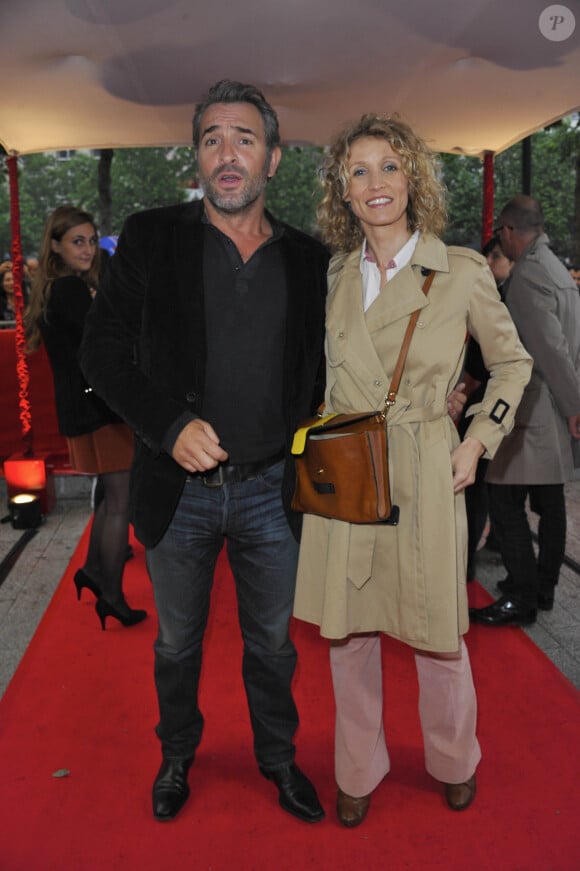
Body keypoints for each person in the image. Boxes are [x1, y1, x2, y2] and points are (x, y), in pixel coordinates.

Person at [80, 80, 329, 824]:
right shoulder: (152, 237)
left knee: (274, 647)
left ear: (274, 158)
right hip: (177, 493)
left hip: (273, 490)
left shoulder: (312, 260)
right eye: (214, 138)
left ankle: (278, 759)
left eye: (245, 139)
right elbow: (101, 350)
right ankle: (178, 753)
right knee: (176, 643)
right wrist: (167, 422)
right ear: (196, 155)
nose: (228, 154)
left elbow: (343, 362)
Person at [292, 113, 532, 827]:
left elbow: (514, 363)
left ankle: (455, 757)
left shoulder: (458, 270)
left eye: (389, 167)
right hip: (347, 465)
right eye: (359, 170)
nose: (376, 183)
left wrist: (477, 440)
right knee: (349, 637)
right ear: (342, 188)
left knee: (436, 634)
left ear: (413, 178)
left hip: (425, 467)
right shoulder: (336, 273)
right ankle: (357, 767)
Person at [25, 205, 146, 630]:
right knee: (119, 499)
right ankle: (110, 592)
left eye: (92, 241)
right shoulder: (71, 291)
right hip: (97, 409)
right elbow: (111, 341)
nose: (89, 249)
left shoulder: (56, 287)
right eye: (79, 241)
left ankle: (96, 571)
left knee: (107, 496)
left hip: (84, 406)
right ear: (55, 245)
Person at [470, 195, 580, 625]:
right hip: (553, 405)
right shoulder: (556, 269)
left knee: (502, 499)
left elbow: (548, 351)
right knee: (550, 504)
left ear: (510, 231)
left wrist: (574, 405)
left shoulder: (529, 276)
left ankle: (523, 594)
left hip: (536, 406)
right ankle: (541, 587)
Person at [459, 234, 514, 579]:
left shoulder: (507, 299)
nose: (492, 262)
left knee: (479, 489)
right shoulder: (488, 292)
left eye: (497, 256)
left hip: (492, 406)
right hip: (478, 399)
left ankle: (467, 564)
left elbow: (510, 364)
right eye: (488, 256)